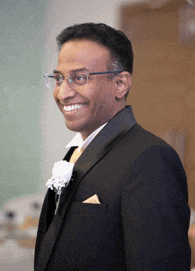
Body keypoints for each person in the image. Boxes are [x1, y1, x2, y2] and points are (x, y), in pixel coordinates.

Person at [34, 23, 191, 270]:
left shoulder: (149, 159)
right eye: (59, 78)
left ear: (120, 84)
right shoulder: (78, 150)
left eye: (79, 78)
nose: (63, 93)